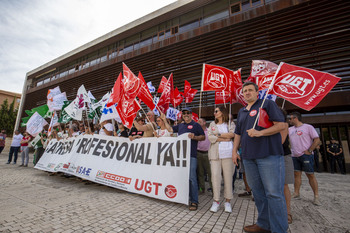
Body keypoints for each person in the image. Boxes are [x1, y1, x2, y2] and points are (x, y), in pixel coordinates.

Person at [232, 82, 288, 233]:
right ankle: (264, 224)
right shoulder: (242, 111)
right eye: (245, 91)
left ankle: (279, 229)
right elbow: (238, 133)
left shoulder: (267, 104)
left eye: (250, 90)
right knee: (258, 192)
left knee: (274, 194)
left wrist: (260, 132)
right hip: (248, 158)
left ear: (257, 92)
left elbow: (281, 125)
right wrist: (234, 151)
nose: (247, 92)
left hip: (268, 155)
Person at [163, 108, 205, 211]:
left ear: (191, 115)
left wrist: (194, 137)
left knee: (192, 178)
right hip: (180, 156)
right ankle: (183, 198)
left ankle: (194, 201)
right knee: (182, 177)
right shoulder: (180, 125)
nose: (186, 115)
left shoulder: (196, 125)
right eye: (184, 113)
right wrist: (164, 120)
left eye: (188, 113)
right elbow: (170, 129)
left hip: (191, 155)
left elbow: (203, 137)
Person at [288, 111, 321, 206]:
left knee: (310, 175)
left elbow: (317, 139)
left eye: (290, 118)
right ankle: (296, 193)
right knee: (296, 174)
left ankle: (316, 196)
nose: (289, 120)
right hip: (294, 155)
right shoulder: (290, 129)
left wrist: (310, 150)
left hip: (306, 155)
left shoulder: (308, 127)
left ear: (295, 118)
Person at [208, 106, 235, 213]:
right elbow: (210, 138)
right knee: (215, 178)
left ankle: (228, 202)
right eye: (214, 111)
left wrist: (218, 135)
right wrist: (224, 138)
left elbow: (232, 134)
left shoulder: (230, 123)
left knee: (228, 178)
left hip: (228, 154)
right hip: (215, 155)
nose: (214, 113)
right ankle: (216, 201)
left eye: (216, 111)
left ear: (222, 112)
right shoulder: (212, 124)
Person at [280, 109, 295, 224]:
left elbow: (280, 141)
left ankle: (287, 212)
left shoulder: (284, 125)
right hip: (270, 157)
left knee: (284, 185)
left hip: (283, 156)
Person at [196, 118, 212, 194]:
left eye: (200, 121)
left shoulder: (209, 131)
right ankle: (202, 189)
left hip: (208, 153)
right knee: (200, 173)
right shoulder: (196, 131)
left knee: (210, 173)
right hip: (198, 153)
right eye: (197, 122)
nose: (198, 123)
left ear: (205, 122)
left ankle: (212, 189)